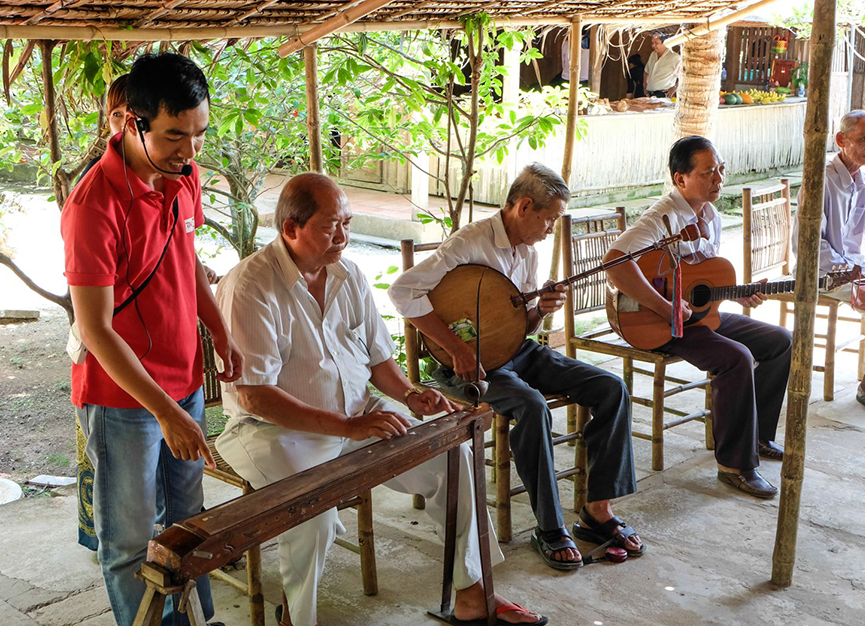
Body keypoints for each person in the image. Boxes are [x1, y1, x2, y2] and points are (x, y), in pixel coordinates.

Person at [215, 173, 546, 626]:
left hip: (358, 414)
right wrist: (348, 428)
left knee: (454, 459)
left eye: (348, 223)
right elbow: (254, 397)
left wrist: (411, 396)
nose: (344, 237)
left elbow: (377, 362)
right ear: (291, 229)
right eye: (331, 226)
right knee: (311, 515)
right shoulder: (251, 285)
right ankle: (297, 618)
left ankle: (474, 595)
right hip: (275, 432)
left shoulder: (347, 273)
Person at [61, 52, 242, 626]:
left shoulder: (182, 180)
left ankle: (192, 621)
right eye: (172, 137)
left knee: (188, 524)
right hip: (126, 401)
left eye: (198, 135)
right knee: (131, 542)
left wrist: (218, 331)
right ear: (129, 121)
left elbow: (186, 260)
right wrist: (165, 413)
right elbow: (95, 329)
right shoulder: (95, 205)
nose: (189, 153)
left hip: (182, 381)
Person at [389, 163, 643, 571]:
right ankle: (549, 526)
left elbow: (517, 327)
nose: (551, 229)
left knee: (610, 387)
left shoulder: (528, 250)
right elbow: (402, 292)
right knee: (532, 406)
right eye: (550, 219)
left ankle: (597, 510)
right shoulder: (468, 245)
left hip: (518, 352)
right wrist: (457, 348)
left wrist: (539, 312)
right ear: (525, 207)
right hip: (470, 367)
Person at [604, 135, 791, 499]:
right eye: (709, 172)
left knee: (780, 341)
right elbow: (614, 263)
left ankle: (756, 436)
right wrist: (664, 307)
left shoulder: (711, 214)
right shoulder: (661, 218)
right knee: (736, 358)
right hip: (660, 322)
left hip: (697, 318)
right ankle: (735, 465)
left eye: (721, 169)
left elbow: (702, 281)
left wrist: (738, 292)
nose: (719, 178)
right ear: (681, 179)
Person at [794, 110, 865, 416]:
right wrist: (846, 270)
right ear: (841, 140)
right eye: (864, 139)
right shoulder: (820, 180)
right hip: (825, 274)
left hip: (854, 270)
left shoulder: (862, 181)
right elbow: (808, 246)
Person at [75, 72, 129, 553]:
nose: (121, 125)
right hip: (102, 341)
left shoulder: (175, 174)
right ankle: (108, 544)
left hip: (155, 360)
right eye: (115, 116)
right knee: (107, 471)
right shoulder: (94, 186)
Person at [643, 33, 681, 98]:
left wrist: (675, 87)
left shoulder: (675, 58)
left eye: (656, 43)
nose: (653, 45)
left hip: (665, 95)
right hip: (651, 94)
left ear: (665, 43)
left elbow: (683, 76)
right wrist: (645, 86)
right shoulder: (653, 55)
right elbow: (647, 71)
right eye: (652, 43)